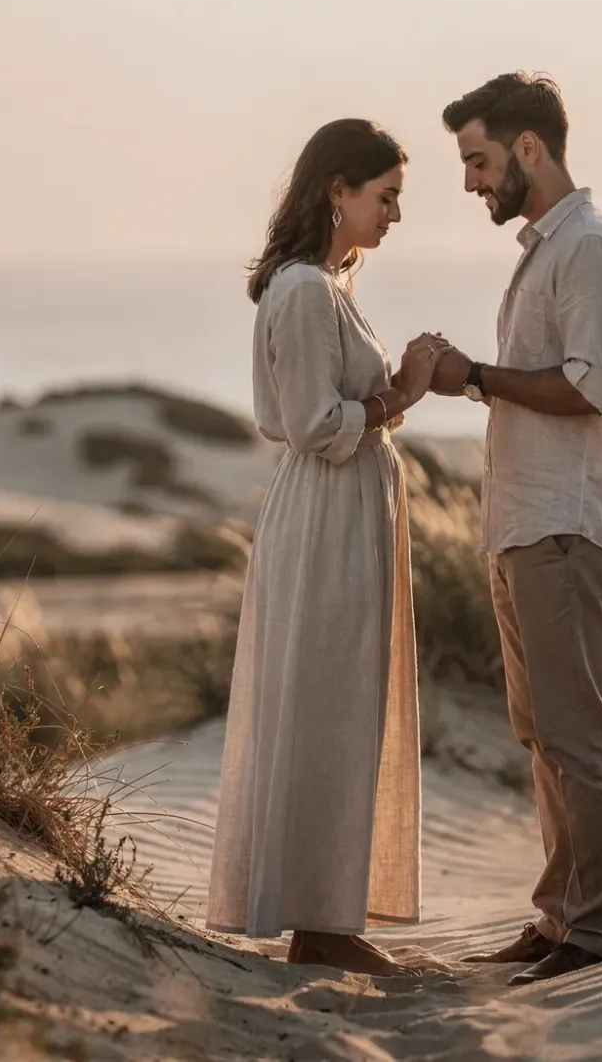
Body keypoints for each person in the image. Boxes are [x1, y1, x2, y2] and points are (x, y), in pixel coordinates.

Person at [418, 72, 602, 985]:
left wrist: (472, 372)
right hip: (524, 524)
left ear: (528, 149)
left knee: (577, 727)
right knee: (542, 729)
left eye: (478, 160)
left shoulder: (592, 248)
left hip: (569, 524)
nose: (472, 182)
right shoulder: (547, 248)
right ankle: (560, 916)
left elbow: (596, 388)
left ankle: (595, 931)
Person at [206, 118, 446, 978]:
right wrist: (405, 392)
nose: (394, 215)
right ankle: (318, 922)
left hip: (347, 509)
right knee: (327, 704)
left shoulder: (326, 288)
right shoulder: (306, 290)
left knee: (341, 702)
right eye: (385, 197)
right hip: (327, 513)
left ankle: (326, 912)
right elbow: (314, 424)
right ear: (336, 191)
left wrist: (391, 387)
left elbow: (331, 408)